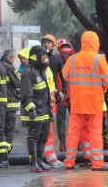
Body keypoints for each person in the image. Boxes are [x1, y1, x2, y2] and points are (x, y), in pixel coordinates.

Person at [63, 31, 108, 171]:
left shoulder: (73, 59)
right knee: (95, 133)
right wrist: (100, 89)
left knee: (73, 133)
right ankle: (97, 164)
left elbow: (65, 76)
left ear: (82, 42)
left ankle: (69, 162)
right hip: (94, 102)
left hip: (77, 102)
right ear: (96, 43)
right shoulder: (99, 59)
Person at [20, 45, 51, 172]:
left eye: (45, 55)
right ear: (36, 57)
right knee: (33, 137)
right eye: (43, 55)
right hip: (35, 111)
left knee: (44, 136)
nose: (45, 58)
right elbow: (26, 94)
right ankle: (33, 163)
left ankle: (39, 160)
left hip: (44, 110)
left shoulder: (41, 70)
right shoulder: (28, 72)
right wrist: (31, 109)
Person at [41, 34, 65, 168]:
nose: (46, 44)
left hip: (50, 99)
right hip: (41, 99)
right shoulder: (37, 62)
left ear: (53, 45)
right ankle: (41, 157)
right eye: (44, 42)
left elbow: (64, 77)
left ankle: (45, 157)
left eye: (49, 42)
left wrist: (63, 92)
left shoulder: (56, 60)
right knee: (41, 129)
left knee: (49, 128)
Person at [55, 38, 75, 151]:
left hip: (61, 94)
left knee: (61, 121)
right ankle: (76, 145)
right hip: (73, 94)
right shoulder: (75, 58)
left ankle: (62, 145)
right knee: (76, 121)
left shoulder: (56, 59)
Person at [0, 49, 20, 153]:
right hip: (11, 101)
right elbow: (17, 83)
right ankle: (7, 150)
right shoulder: (9, 67)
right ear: (11, 58)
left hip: (0, 102)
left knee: (1, 127)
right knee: (9, 127)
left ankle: (1, 150)